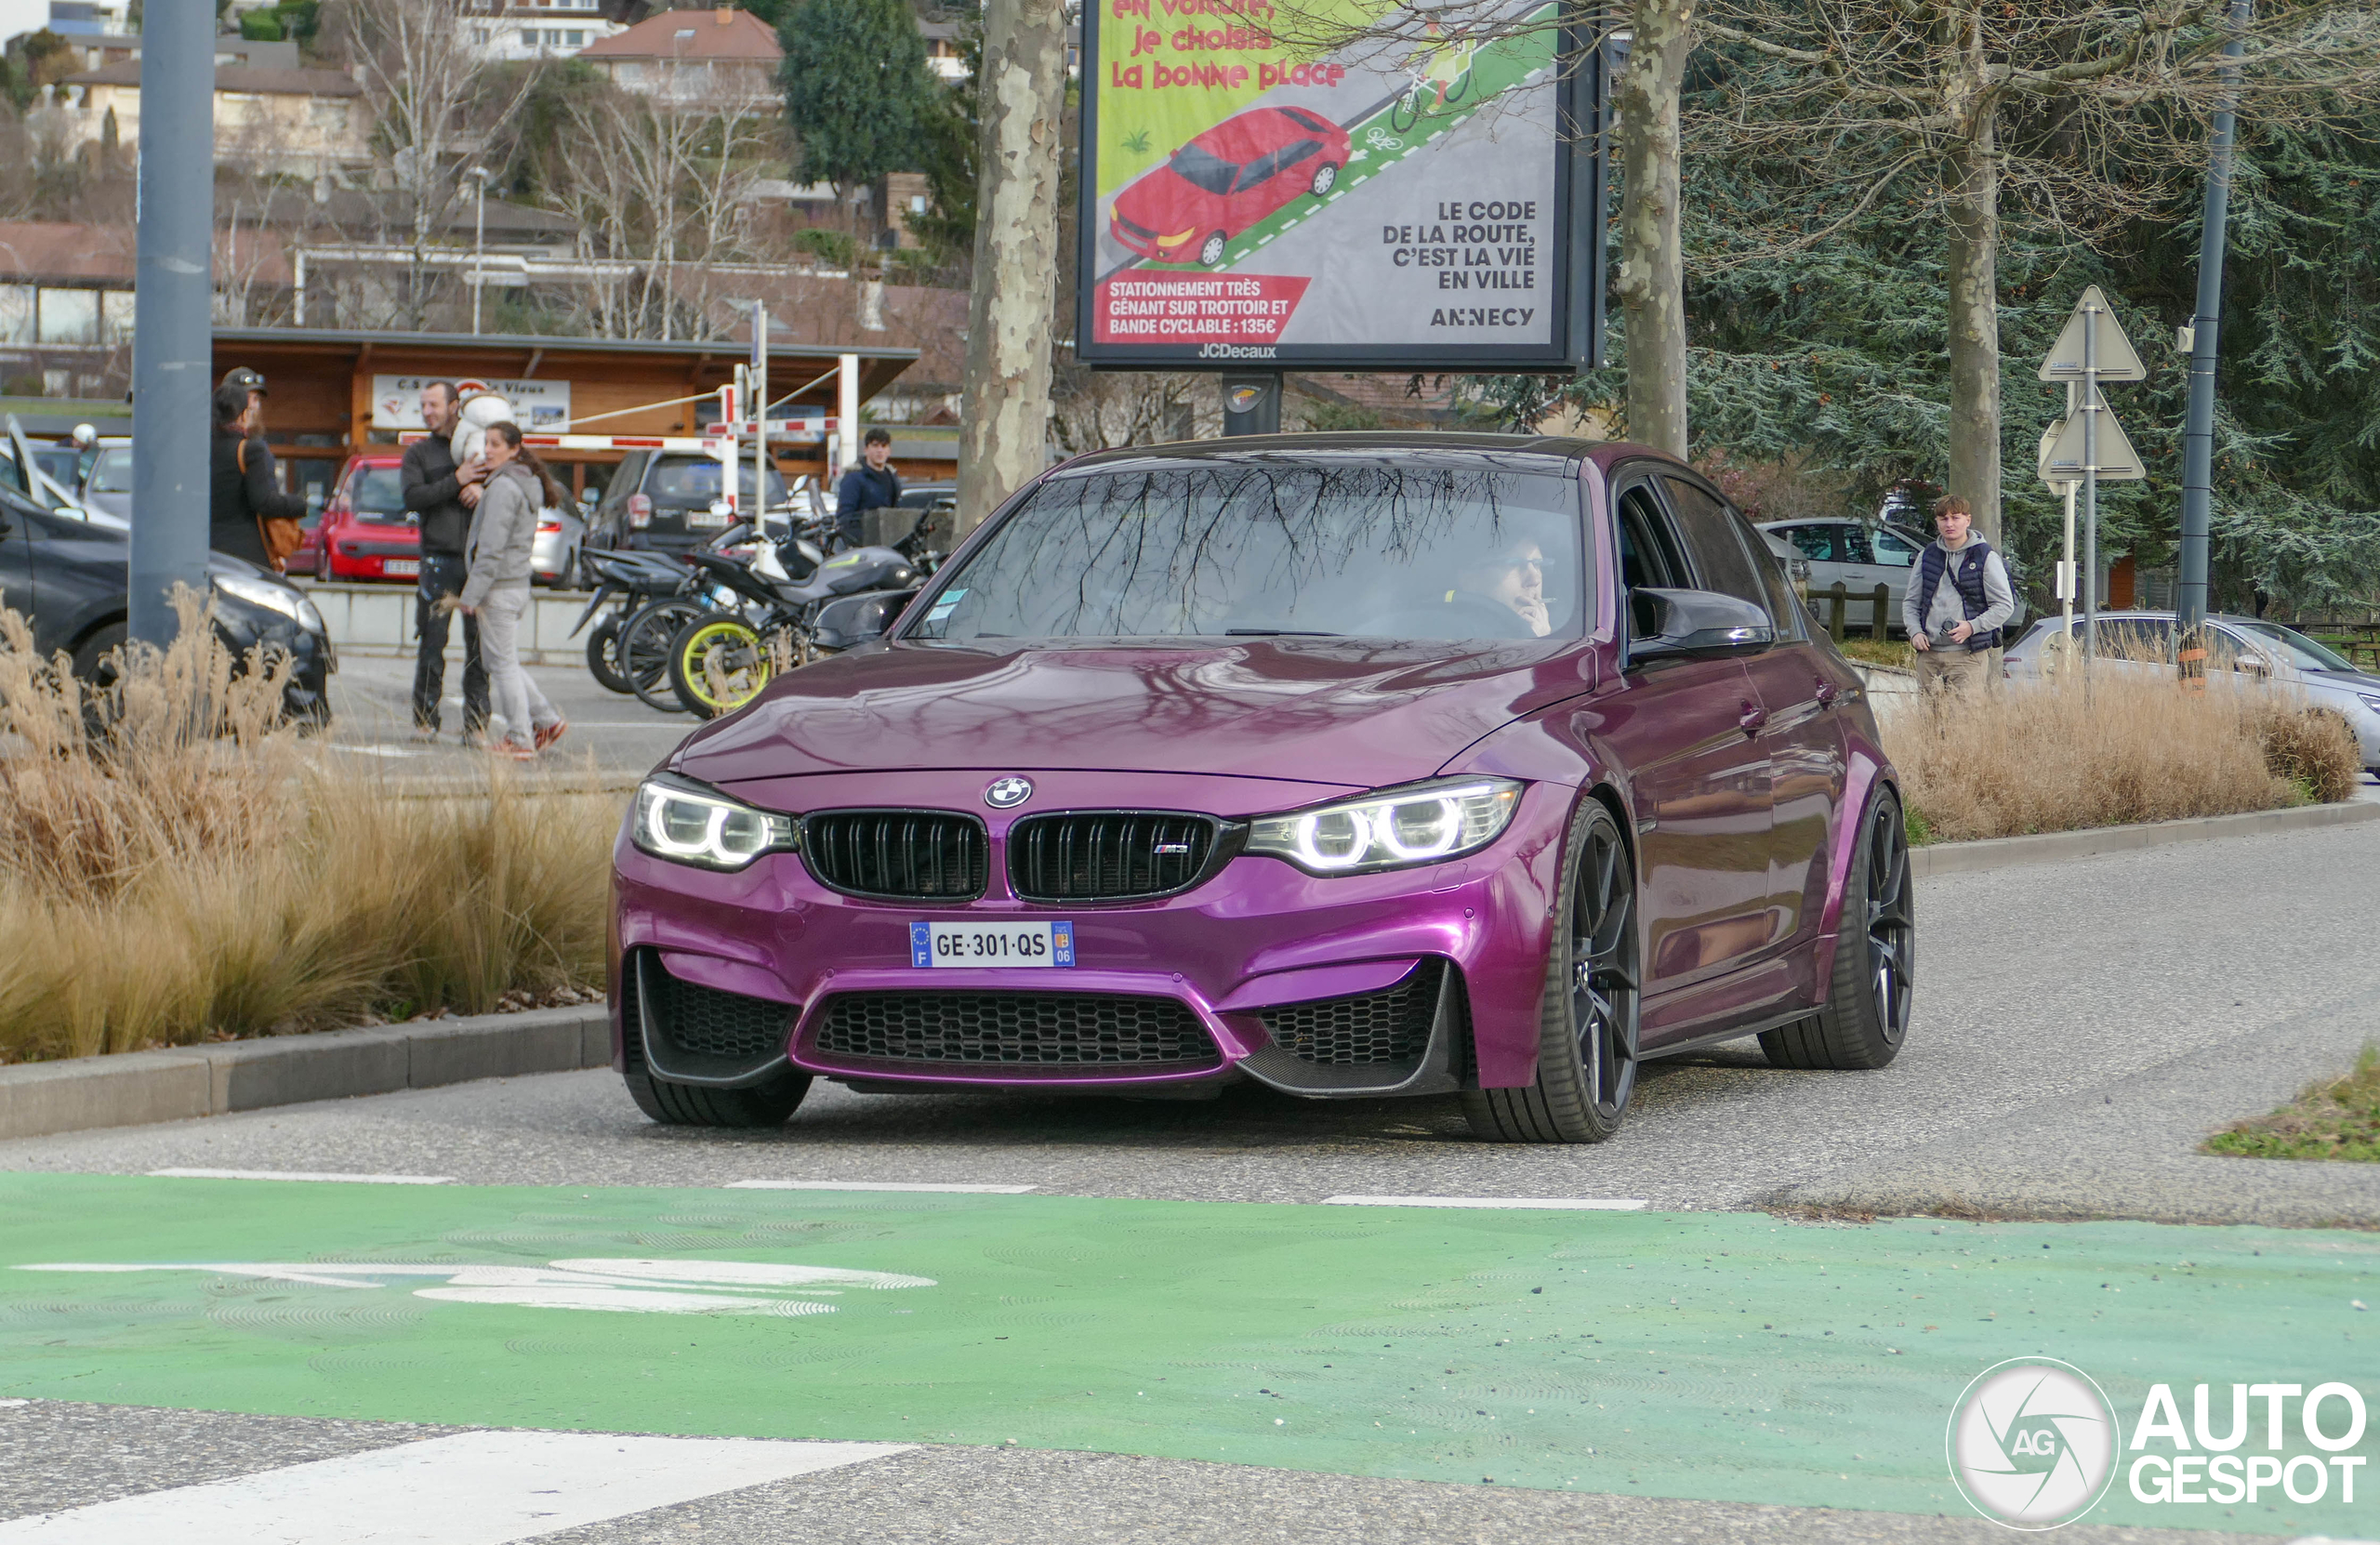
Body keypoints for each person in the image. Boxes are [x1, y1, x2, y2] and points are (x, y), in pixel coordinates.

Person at [456, 421, 567, 760]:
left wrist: (470, 595)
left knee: (502, 664)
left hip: (500, 589)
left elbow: (491, 548)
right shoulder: (521, 482)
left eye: (495, 444)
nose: (488, 450)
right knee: (500, 660)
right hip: (514, 586)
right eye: (486, 443)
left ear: (514, 449)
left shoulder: (504, 487)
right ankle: (546, 721)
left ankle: (520, 738)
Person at [402, 380, 491, 741]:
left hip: (478, 562)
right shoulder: (419, 454)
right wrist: (457, 480)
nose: (427, 412)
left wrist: (482, 489)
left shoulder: (483, 446)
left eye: (433, 405)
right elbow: (412, 497)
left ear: (455, 405)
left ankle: (477, 726)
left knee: (479, 649)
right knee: (431, 644)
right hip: (437, 560)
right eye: (423, 406)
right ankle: (425, 721)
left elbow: (507, 485)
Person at [1903, 493, 2014, 701]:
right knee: (1929, 722)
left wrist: (1973, 626)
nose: (1950, 524)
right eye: (1944, 518)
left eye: (1956, 517)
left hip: (1968, 656)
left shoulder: (1984, 557)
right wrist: (1915, 632)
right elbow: (1911, 602)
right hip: (1929, 655)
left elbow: (2004, 605)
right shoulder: (1927, 555)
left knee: (1964, 722)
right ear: (1937, 522)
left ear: (1967, 520)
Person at [207, 381, 307, 571]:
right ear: (243, 415)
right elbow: (264, 501)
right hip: (245, 557)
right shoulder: (251, 450)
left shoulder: (200, 449)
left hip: (206, 553)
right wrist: (299, 504)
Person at [1448, 533, 1553, 637]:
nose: (1535, 580)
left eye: (1537, 564)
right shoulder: (1448, 631)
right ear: (1468, 579)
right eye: (1514, 564)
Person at [833, 428, 900, 550]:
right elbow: (844, 518)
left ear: (889, 451)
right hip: (860, 548)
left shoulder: (892, 477)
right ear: (866, 450)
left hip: (886, 545)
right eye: (875, 446)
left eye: (884, 446)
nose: (879, 450)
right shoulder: (853, 478)